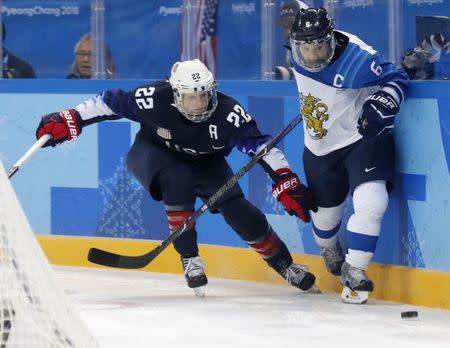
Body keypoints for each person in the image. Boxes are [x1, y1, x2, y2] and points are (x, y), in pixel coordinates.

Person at [36, 59, 319, 296]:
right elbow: (109, 102)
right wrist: (69, 118)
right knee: (177, 178)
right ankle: (189, 256)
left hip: (207, 163)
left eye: (204, 95)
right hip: (154, 154)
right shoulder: (154, 98)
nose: (198, 103)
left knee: (239, 211)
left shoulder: (228, 113)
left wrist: (285, 179)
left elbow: (261, 147)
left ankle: (284, 264)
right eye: (190, 96)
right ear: (175, 93)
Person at [288, 8, 409, 303]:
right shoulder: (298, 50)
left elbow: (399, 78)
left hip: (360, 137)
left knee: (372, 202)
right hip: (319, 148)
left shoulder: (358, 60)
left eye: (318, 46)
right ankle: (328, 246)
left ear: (330, 39)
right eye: (305, 47)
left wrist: (385, 100)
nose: (312, 55)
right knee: (326, 222)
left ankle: (355, 270)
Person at [275, 0, 308, 80]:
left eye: (292, 24)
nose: (289, 31)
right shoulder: (288, 50)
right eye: (285, 26)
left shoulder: (321, 47)